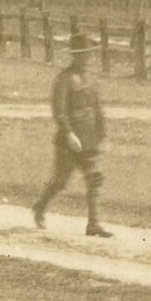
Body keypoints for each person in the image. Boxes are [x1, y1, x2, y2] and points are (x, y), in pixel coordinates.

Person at [33, 32, 113, 237]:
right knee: (60, 181)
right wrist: (68, 134)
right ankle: (40, 207)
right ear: (75, 56)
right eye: (83, 54)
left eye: (89, 54)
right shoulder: (64, 79)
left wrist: (103, 135)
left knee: (94, 178)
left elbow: (98, 109)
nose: (87, 58)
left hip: (89, 139)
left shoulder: (92, 80)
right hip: (69, 142)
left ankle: (93, 224)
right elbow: (58, 111)